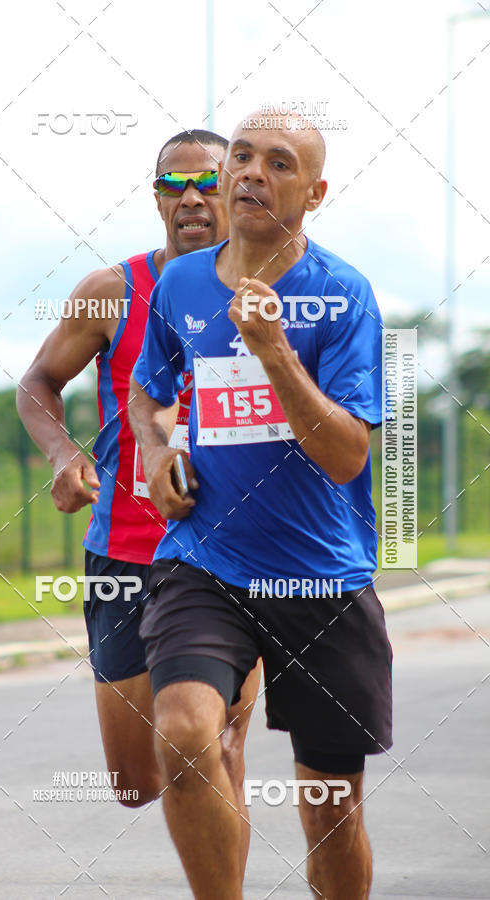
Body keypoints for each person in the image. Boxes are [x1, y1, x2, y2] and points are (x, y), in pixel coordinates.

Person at [129, 110, 392, 899]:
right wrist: (154, 449)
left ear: (312, 192)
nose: (247, 173)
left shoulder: (341, 295)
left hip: (320, 577)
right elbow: (149, 386)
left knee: (330, 810)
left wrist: (275, 350)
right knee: (180, 732)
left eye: (276, 163)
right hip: (205, 561)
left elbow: (347, 453)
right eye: (239, 158)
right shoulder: (181, 283)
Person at [16, 129, 261, 878]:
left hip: (231, 557)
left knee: (216, 745)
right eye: (171, 184)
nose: (190, 197)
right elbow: (37, 385)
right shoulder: (111, 291)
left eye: (206, 181)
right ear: (155, 196)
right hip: (124, 553)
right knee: (136, 782)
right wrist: (65, 455)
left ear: (234, 191)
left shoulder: (268, 292)